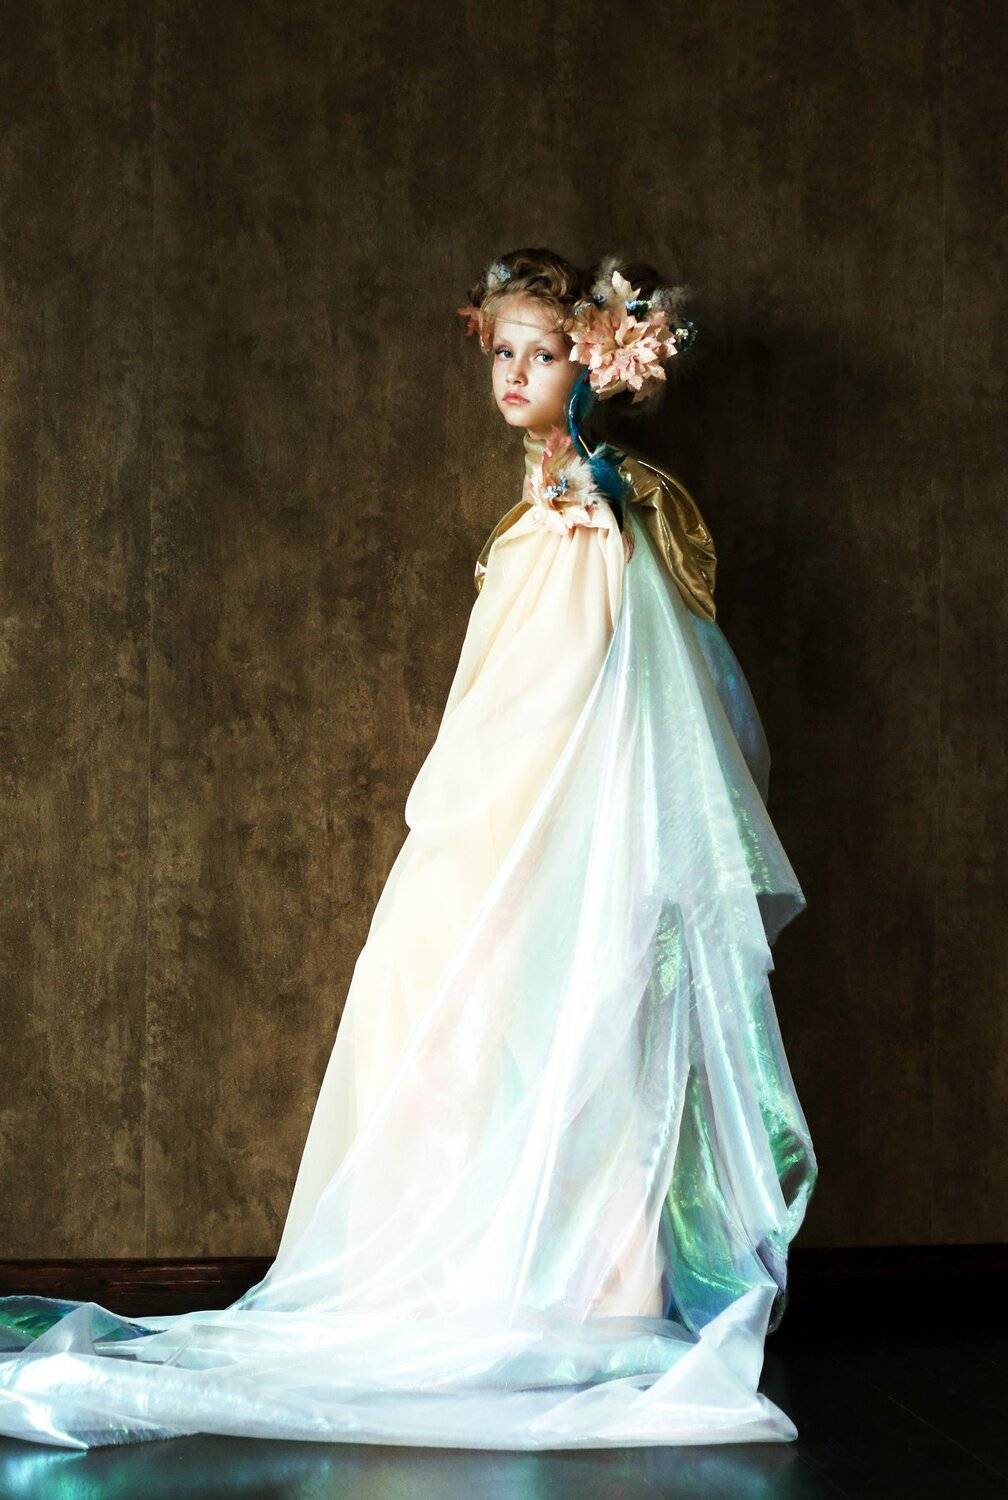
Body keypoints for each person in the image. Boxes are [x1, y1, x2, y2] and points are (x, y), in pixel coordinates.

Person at [0, 247, 817, 1450]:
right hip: (491, 805)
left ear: (593, 365)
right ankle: (464, 1274)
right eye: (504, 351)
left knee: (550, 1024)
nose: (517, 374)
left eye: (546, 354)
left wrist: (493, 807)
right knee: (449, 1021)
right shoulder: (542, 507)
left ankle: (587, 1295)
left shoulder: (593, 511)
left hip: (538, 815)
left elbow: (575, 686)